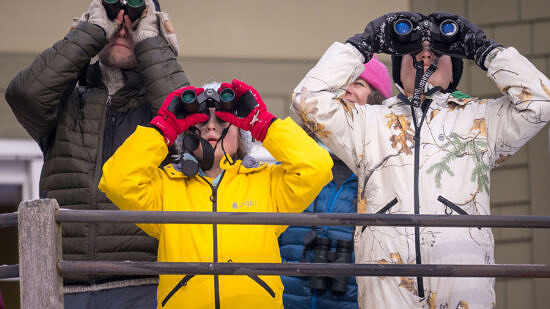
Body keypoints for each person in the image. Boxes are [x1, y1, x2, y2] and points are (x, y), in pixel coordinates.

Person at [291, 11, 550, 308]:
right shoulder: (367, 123)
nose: (425, 57)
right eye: (412, 52)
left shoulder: (481, 119)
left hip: (463, 271)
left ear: (454, 68)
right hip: (385, 274)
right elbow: (306, 100)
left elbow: (540, 104)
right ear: (398, 68)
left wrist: (485, 50)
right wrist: (362, 45)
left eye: (437, 53)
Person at [5, 0, 188, 307]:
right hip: (62, 284)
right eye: (112, 19)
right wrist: (92, 29)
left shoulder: (158, 109)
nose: (122, 25)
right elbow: (24, 94)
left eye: (133, 20)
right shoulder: (65, 102)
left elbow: (187, 126)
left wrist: (150, 37)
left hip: (143, 284)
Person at [98, 80, 333, 308]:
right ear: (186, 135)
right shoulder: (165, 187)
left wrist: (264, 124)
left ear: (242, 135)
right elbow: (117, 180)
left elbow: (317, 167)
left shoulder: (267, 183)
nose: (211, 127)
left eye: (222, 121)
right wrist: (163, 127)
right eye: (200, 122)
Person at [278, 59, 392, 309]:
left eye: (359, 83)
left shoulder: (387, 172)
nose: (347, 89)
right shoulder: (297, 160)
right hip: (286, 300)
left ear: (376, 101)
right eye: (341, 84)